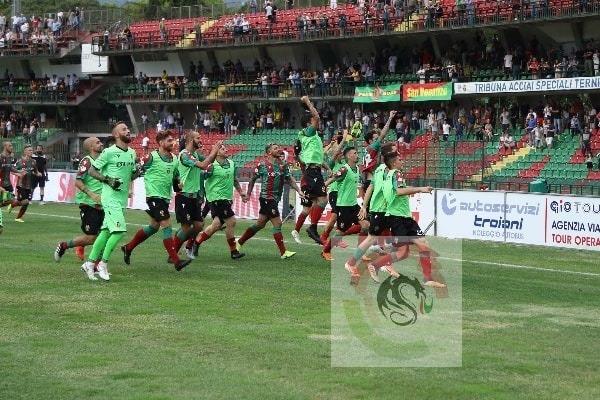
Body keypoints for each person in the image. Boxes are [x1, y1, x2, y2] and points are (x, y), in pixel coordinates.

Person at [365, 152, 446, 288]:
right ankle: (375, 264)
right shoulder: (396, 174)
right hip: (397, 218)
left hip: (404, 217)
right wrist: (421, 189)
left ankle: (427, 279)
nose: (402, 160)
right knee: (403, 252)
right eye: (399, 159)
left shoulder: (389, 175)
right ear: (394, 163)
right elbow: (398, 192)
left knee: (423, 244)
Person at [121, 130, 191, 271]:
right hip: (153, 197)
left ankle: (128, 248)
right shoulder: (151, 157)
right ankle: (176, 261)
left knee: (154, 227)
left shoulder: (175, 159)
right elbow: (133, 173)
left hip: (164, 198)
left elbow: (175, 181)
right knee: (166, 225)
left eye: (173, 140)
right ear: (160, 143)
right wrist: (128, 187)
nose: (173, 143)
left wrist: (179, 185)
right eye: (169, 140)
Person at [80, 122, 139, 281]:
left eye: (128, 129)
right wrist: (108, 180)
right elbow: (92, 171)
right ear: (116, 135)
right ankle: (103, 264)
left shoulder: (132, 153)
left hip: (121, 199)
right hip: (110, 198)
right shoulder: (108, 152)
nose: (128, 131)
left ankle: (90, 263)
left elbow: (130, 176)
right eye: (124, 129)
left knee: (106, 231)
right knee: (119, 230)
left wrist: (138, 172)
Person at [237, 143, 304, 259]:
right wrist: (248, 194)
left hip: (275, 199)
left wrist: (299, 191)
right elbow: (253, 179)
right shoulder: (262, 165)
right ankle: (283, 252)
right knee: (277, 223)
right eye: (275, 148)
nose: (279, 150)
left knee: (260, 224)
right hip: (267, 199)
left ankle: (239, 242)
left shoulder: (283, 166)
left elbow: (290, 179)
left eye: (278, 148)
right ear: (269, 153)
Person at [191, 144, 248, 259]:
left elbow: (234, 179)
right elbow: (200, 177)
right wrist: (200, 193)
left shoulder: (231, 164)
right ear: (216, 152)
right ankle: (233, 252)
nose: (226, 150)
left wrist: (241, 192)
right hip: (216, 199)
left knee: (216, 226)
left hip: (226, 199)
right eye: (222, 149)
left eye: (225, 148)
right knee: (231, 221)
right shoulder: (211, 166)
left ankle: (196, 243)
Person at [54, 137, 105, 263]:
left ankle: (98, 265)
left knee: (104, 235)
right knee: (91, 238)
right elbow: (77, 181)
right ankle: (64, 245)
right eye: (98, 142)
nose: (101, 144)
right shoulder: (87, 161)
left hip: (103, 204)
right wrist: (92, 194)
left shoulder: (103, 160)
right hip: (89, 204)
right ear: (91, 147)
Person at [172, 131, 221, 259]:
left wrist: (215, 151)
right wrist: (214, 150)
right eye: (198, 138)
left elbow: (208, 162)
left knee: (199, 225)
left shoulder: (194, 154)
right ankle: (173, 254)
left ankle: (177, 241)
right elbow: (204, 165)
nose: (200, 140)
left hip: (194, 198)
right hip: (184, 196)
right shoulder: (184, 155)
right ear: (189, 140)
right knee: (187, 228)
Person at [321, 147, 370, 261]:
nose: (357, 155)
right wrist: (324, 185)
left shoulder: (357, 168)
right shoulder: (344, 169)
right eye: (355, 153)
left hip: (353, 205)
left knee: (366, 225)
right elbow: (333, 178)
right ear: (349, 156)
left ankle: (360, 253)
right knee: (339, 232)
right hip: (343, 206)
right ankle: (326, 251)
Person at [291, 95, 326, 245]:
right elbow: (317, 116)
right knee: (323, 200)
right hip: (312, 172)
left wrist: (327, 168)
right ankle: (312, 228)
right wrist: (307, 102)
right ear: (308, 123)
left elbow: (315, 156)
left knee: (309, 205)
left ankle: (303, 229)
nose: (316, 121)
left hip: (313, 171)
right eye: (313, 120)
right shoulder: (309, 132)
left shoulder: (313, 136)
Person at [8, 145, 41, 223]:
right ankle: (18, 218)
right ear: (25, 152)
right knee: (26, 202)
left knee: (21, 201)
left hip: (29, 185)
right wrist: (19, 174)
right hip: (21, 185)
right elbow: (11, 170)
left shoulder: (33, 161)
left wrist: (38, 173)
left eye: (32, 150)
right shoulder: (20, 162)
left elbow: (35, 171)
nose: (31, 152)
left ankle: (12, 205)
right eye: (29, 150)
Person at [0, 141, 18, 209]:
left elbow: (10, 167)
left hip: (8, 184)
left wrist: (19, 172)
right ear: (5, 147)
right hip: (1, 184)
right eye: (10, 146)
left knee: (12, 201)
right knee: (11, 200)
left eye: (12, 145)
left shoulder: (9, 157)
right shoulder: (1, 157)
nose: (12, 147)